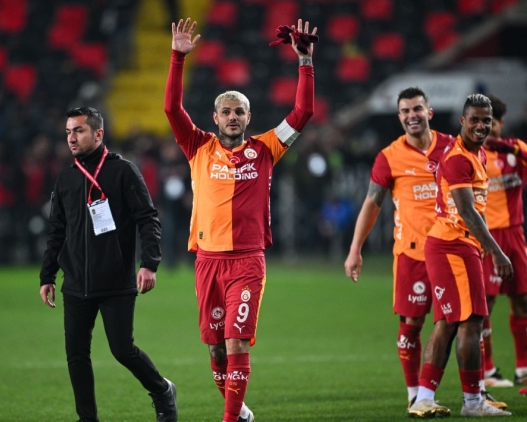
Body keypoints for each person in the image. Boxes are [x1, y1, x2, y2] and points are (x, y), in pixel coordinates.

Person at [164, 17, 316, 422]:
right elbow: (171, 108)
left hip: (247, 261)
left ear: (249, 118)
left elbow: (303, 111)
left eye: (240, 112)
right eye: (226, 112)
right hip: (207, 261)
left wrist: (305, 62)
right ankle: (242, 411)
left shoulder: (266, 149)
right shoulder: (197, 146)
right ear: (215, 118)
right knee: (216, 348)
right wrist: (178, 58)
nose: (233, 117)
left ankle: (230, 419)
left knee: (236, 342)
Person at [38, 107, 177, 422]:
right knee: (76, 355)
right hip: (75, 283)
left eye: (79, 130)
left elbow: (148, 218)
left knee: (122, 351)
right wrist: (47, 275)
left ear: (98, 134)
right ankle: (87, 419)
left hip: (116, 280)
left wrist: (149, 263)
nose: (72, 138)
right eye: (68, 132)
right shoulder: (66, 177)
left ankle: (162, 390)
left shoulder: (123, 171)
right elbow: (57, 230)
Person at [344, 87, 455, 407]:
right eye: (405, 111)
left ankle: (469, 391)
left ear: (429, 112)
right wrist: (355, 249)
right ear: (399, 117)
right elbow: (372, 203)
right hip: (411, 254)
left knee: (458, 322)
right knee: (412, 324)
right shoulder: (389, 157)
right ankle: (414, 393)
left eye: (417, 109)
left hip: (451, 251)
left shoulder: (452, 148)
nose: (411, 115)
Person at [407, 94, 513, 418]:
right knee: (471, 322)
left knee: (449, 324)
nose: (481, 125)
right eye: (475, 119)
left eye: (486, 120)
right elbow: (467, 211)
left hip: (455, 246)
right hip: (453, 246)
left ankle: (425, 398)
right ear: (462, 121)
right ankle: (472, 402)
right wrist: (496, 252)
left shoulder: (475, 153)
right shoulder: (458, 159)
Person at [479, 95, 527, 388]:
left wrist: (511, 147)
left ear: (501, 124)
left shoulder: (516, 151)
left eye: (492, 123)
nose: (487, 129)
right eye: (482, 123)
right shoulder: (472, 155)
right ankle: (487, 370)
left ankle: (523, 367)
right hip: (488, 236)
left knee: (521, 299)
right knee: (486, 303)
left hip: (515, 234)